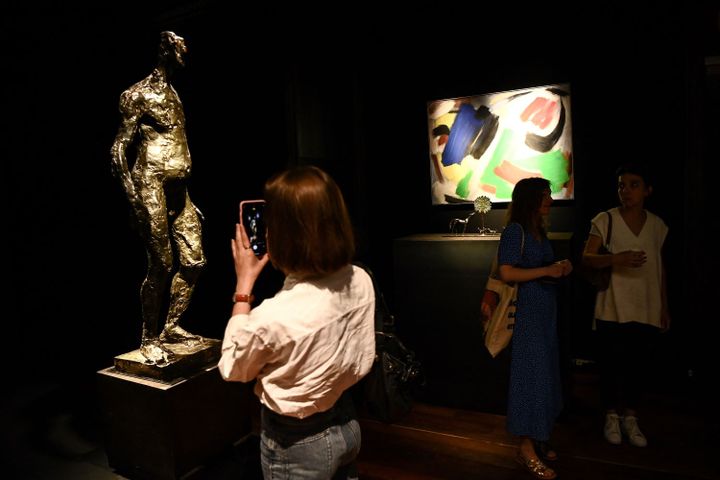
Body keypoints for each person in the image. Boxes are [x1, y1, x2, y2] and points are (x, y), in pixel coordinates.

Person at [218, 165, 376, 479]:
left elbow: (234, 369)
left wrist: (243, 287)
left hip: (297, 443)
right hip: (347, 421)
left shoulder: (272, 316)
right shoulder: (360, 278)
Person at [110, 31, 207, 365]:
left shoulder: (174, 92)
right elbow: (119, 148)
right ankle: (149, 337)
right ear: (166, 50)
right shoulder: (137, 95)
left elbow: (175, 144)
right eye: (180, 49)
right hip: (150, 184)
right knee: (162, 264)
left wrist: (187, 197)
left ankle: (171, 326)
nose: (184, 54)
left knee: (194, 261)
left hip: (179, 191)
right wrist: (133, 198)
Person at [582, 163, 670, 448]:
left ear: (648, 190)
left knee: (638, 366)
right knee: (610, 365)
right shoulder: (605, 219)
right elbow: (587, 257)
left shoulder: (657, 225)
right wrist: (616, 259)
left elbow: (660, 268)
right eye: (622, 185)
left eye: (633, 185)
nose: (626, 191)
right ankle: (611, 415)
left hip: (646, 305)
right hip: (612, 305)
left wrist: (664, 307)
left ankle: (630, 417)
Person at [498, 177, 572, 480]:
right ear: (530, 199)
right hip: (528, 314)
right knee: (530, 377)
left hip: (545, 313)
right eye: (545, 196)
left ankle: (539, 435)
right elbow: (507, 272)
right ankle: (525, 446)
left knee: (546, 376)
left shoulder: (537, 231)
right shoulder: (515, 231)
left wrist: (559, 267)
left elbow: (538, 269)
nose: (550, 201)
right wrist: (548, 270)